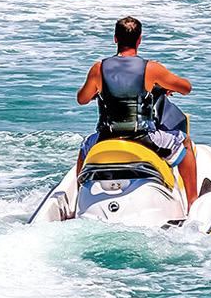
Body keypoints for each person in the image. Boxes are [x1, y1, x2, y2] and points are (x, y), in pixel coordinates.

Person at [76, 16, 198, 209]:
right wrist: (161, 84)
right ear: (139, 39)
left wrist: (98, 92)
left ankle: (77, 203)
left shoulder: (98, 68)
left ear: (115, 38)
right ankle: (193, 202)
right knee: (185, 142)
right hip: (143, 137)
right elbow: (186, 88)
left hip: (106, 138)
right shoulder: (151, 68)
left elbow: (81, 99)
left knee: (84, 147)